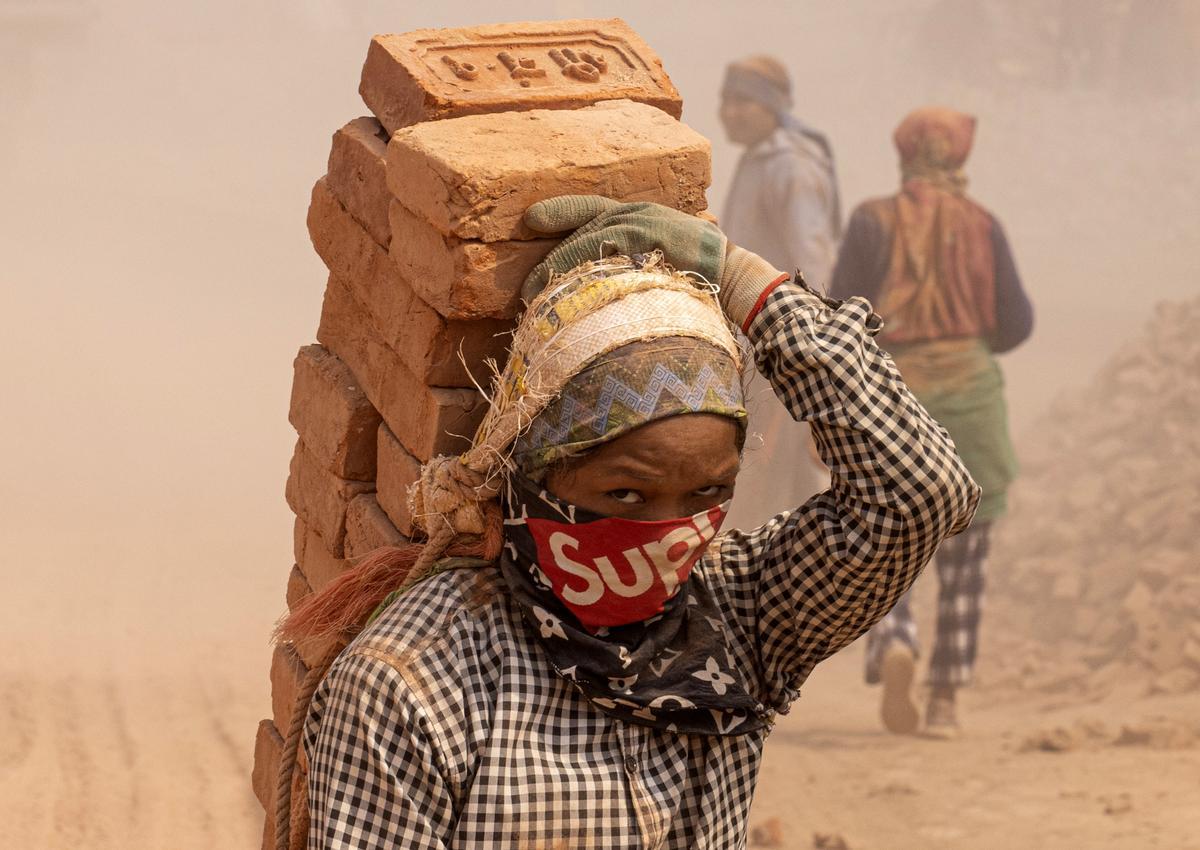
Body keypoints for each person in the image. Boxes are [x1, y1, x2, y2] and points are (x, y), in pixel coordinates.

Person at [290, 196, 979, 848]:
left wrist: (746, 285)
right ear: (531, 471)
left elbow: (922, 492)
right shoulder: (415, 682)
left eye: (707, 491)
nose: (667, 535)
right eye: (625, 495)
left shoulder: (734, 615)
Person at [829, 107, 1034, 738]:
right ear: (959, 158)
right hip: (972, 395)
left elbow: (840, 314)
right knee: (966, 560)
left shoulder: (871, 219)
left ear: (903, 156)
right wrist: (968, 343)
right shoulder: (985, 224)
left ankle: (896, 640)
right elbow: (1017, 322)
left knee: (890, 538)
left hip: (895, 399)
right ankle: (944, 701)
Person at [717, 55, 842, 528]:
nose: (729, 111)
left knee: (772, 476)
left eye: (742, 101)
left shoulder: (790, 167)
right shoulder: (761, 157)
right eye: (726, 100)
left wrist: (807, 351)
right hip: (755, 342)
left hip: (780, 345)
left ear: (770, 106)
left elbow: (813, 264)